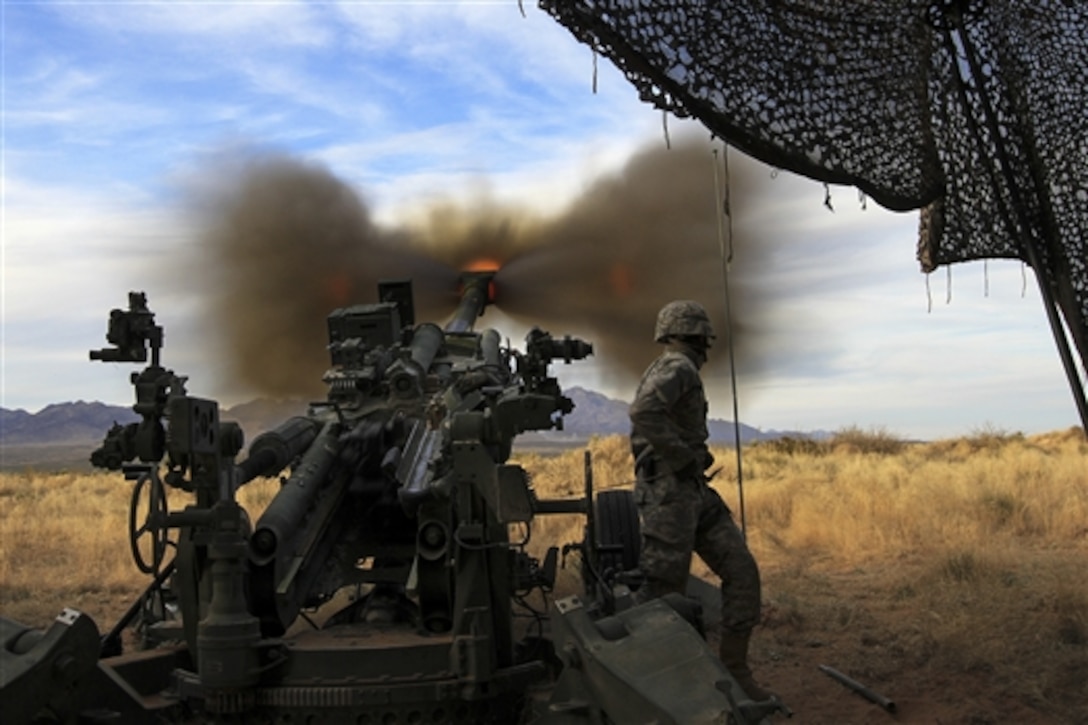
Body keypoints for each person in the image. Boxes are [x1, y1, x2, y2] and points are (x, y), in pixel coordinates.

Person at [629, 299, 774, 701]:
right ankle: (644, 682)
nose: (705, 346)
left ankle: (735, 674)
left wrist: (689, 459)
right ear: (690, 335)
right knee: (661, 597)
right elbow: (643, 412)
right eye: (701, 336)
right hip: (669, 494)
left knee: (741, 571)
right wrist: (682, 456)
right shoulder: (678, 367)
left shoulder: (673, 367)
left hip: (690, 492)